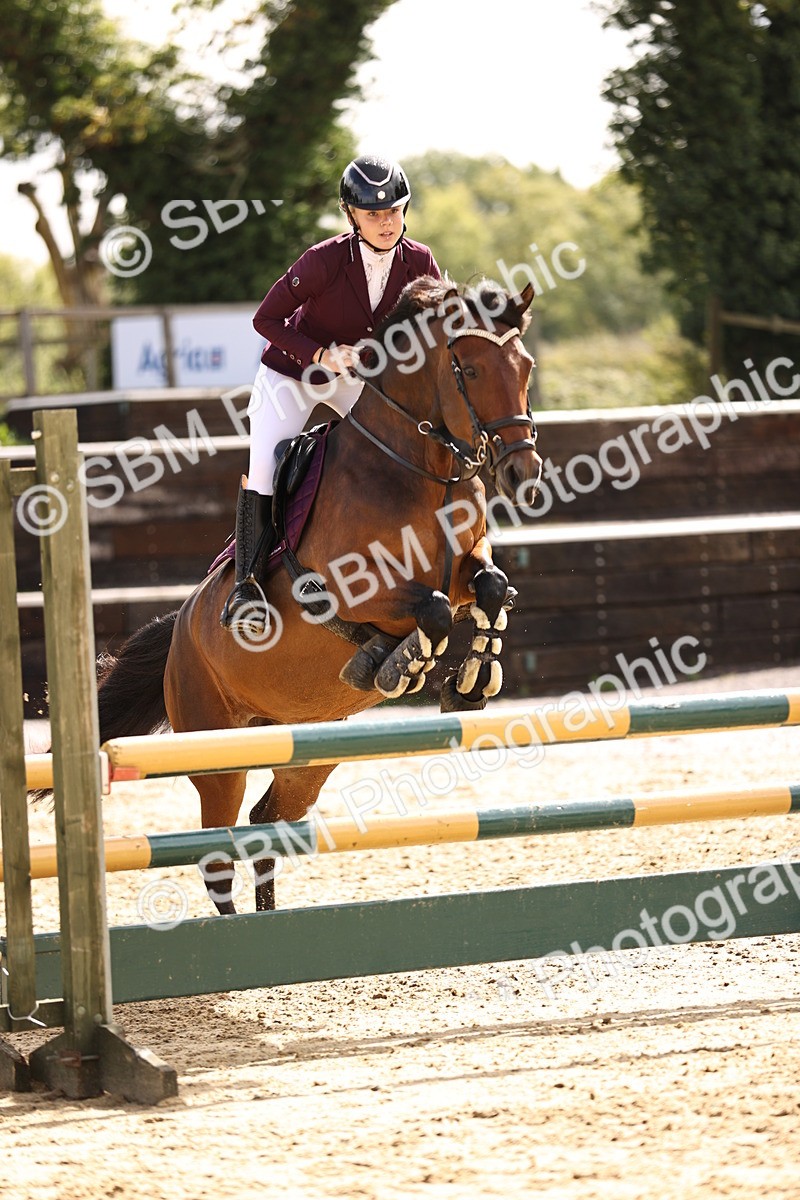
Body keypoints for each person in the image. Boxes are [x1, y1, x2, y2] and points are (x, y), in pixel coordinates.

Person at [220, 154, 442, 633]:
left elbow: (434, 332)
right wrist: (319, 355)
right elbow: (266, 320)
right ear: (351, 215)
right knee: (265, 466)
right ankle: (247, 587)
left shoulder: (420, 262)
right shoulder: (323, 260)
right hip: (293, 374)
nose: (386, 223)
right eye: (373, 214)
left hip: (357, 377)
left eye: (395, 211)